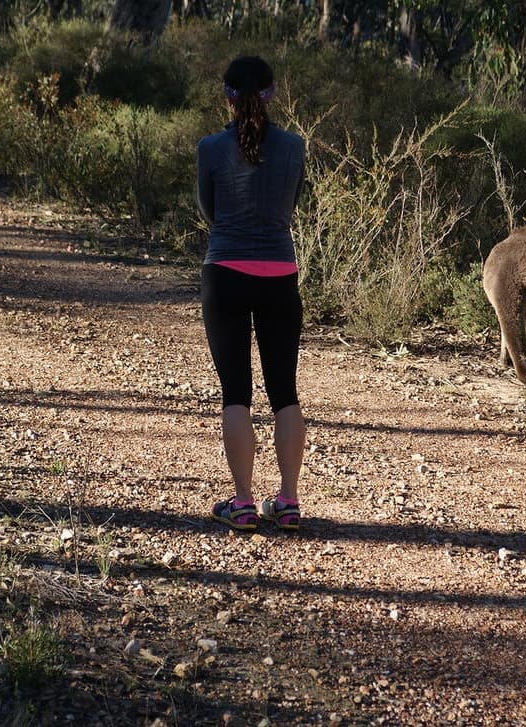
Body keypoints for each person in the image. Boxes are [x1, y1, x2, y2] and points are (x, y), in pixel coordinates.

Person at [196, 56, 306, 532]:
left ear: (227, 94)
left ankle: (242, 501)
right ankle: (287, 500)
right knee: (285, 393)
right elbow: (291, 206)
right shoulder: (295, 147)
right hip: (280, 275)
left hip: (225, 275)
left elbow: (209, 211)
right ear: (272, 92)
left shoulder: (210, 148)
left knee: (236, 393)